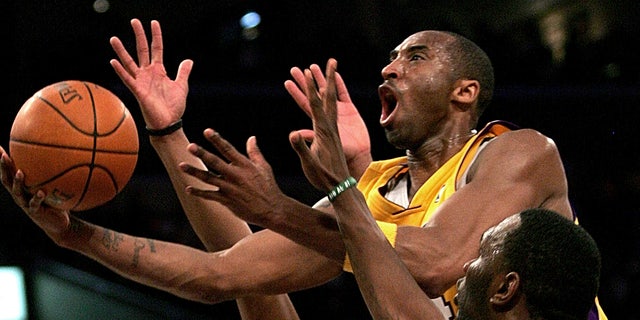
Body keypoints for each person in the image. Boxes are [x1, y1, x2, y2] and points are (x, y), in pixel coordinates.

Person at [0, 19, 607, 319]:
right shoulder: (370, 190)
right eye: (389, 60)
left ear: (465, 92)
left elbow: (437, 262)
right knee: (260, 295)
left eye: (414, 58)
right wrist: (164, 136)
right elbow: (221, 273)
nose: (388, 70)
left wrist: (282, 210)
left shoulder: (518, 150)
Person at [287, 59, 602, 319]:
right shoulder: (390, 183)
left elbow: (431, 270)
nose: (467, 264)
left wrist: (333, 190)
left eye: (416, 58)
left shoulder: (521, 151)